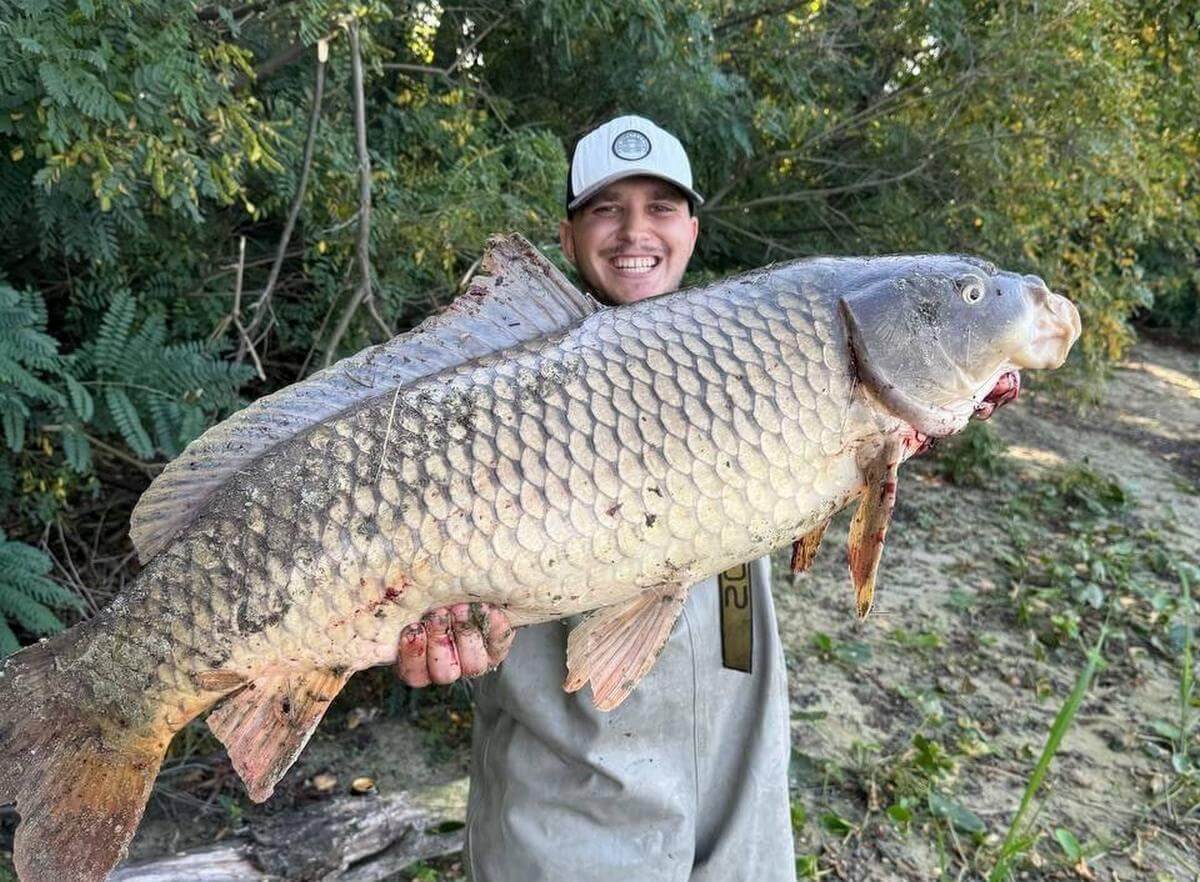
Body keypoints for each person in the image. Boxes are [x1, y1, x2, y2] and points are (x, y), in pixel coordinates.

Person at [397, 115, 796, 882]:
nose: (634, 230)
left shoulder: (755, 357)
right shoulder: (487, 385)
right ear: (568, 235)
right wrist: (430, 637)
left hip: (742, 818)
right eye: (606, 208)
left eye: (660, 206)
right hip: (565, 836)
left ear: (693, 228)